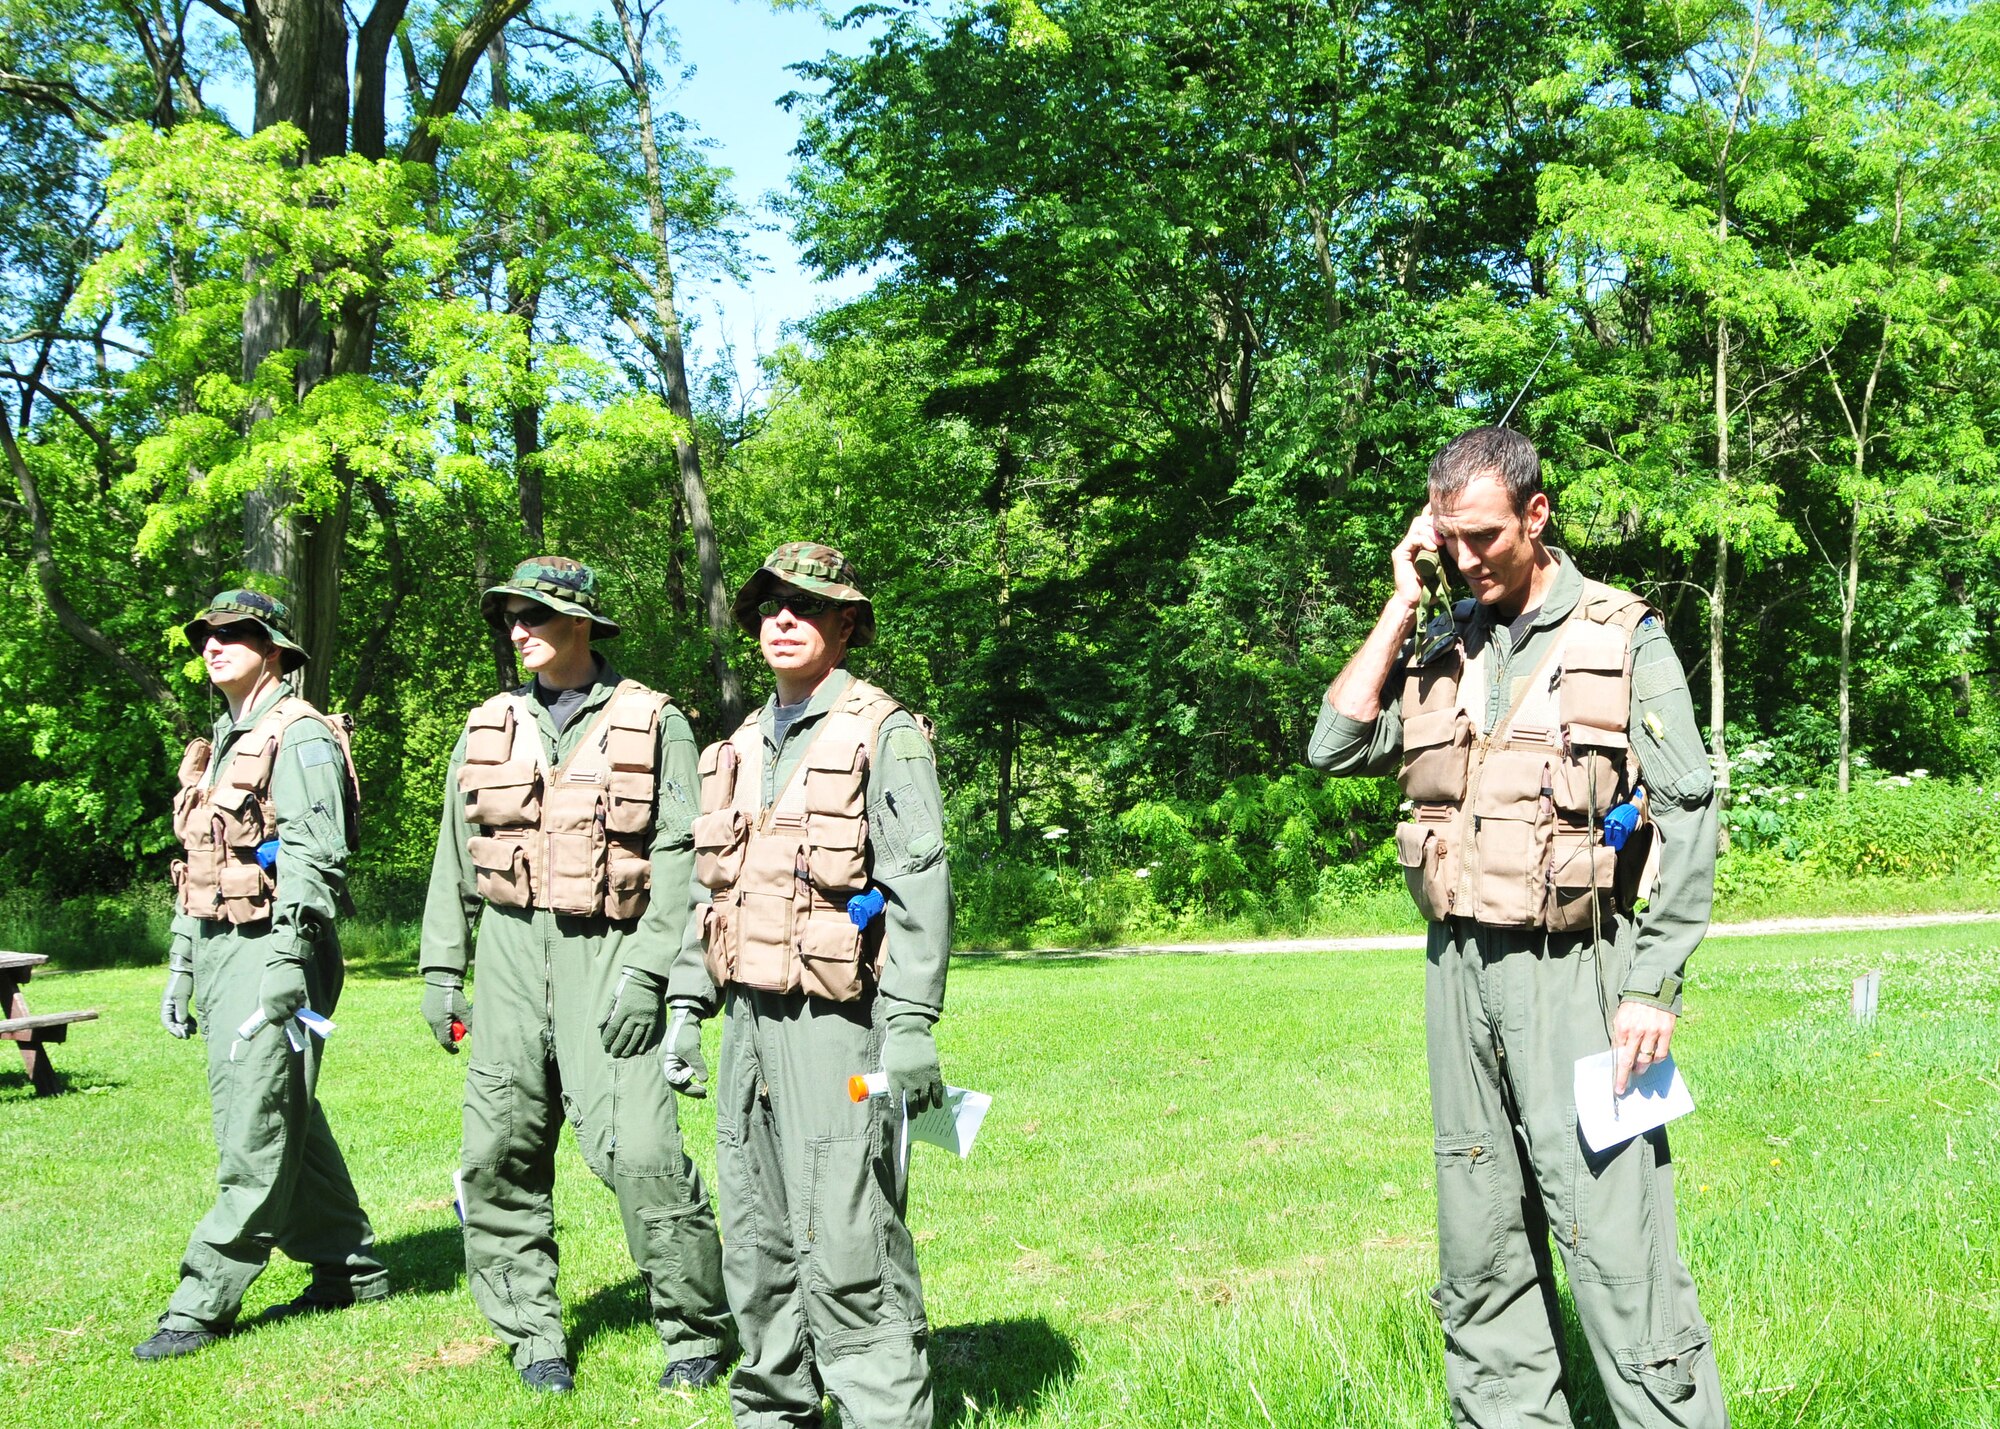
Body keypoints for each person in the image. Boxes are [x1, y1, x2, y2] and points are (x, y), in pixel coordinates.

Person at [1309, 428, 1728, 1428]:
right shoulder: (1439, 640)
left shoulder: (1620, 633)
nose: (1465, 556)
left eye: (1483, 536)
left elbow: (1689, 807)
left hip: (1577, 975)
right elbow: (1333, 744)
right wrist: (1400, 598)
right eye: (1445, 537)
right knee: (1481, 1243)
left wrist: (1650, 987)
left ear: (1535, 516)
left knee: (1615, 1244)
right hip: (1456, 972)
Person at [417, 556, 731, 1395]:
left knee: (642, 1152)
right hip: (510, 961)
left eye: (535, 615)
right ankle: (533, 1334)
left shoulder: (653, 721)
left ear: (582, 625)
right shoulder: (488, 723)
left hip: (612, 953)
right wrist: (443, 967)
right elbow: (454, 851)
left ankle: (697, 1326)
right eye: (510, 617)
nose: (517, 630)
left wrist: (648, 975)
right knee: (497, 1150)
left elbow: (681, 858)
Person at [665, 542, 952, 1429]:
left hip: (840, 1025)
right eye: (767, 607)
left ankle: (881, 1410)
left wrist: (908, 1025)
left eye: (804, 607)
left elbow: (919, 882)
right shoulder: (739, 745)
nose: (781, 621)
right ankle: (774, 1403)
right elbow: (709, 890)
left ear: (843, 623)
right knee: (754, 1232)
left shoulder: (883, 732)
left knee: (847, 1231)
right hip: (746, 1018)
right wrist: (685, 1005)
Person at [137, 590, 387, 1361]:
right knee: (284, 1111)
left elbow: (316, 856)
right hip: (219, 946)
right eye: (207, 635)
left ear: (273, 648)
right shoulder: (222, 738)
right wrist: (182, 963)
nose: (215, 645)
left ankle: (201, 1298)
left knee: (255, 1120)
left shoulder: (299, 733)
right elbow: (199, 864)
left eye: (236, 634)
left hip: (277, 947)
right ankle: (352, 1264)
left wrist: (286, 961)